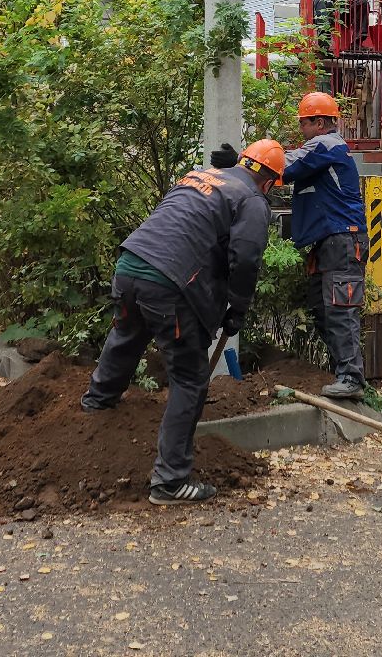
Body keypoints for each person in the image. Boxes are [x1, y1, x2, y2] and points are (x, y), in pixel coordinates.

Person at [81, 140, 283, 505]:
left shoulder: (199, 174)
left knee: (127, 335)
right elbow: (247, 258)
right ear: (270, 182)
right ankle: (170, 481)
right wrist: (237, 308)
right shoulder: (252, 201)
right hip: (168, 284)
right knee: (190, 378)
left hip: (129, 265)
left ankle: (97, 403)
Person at [282, 92, 366, 399]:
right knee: (322, 307)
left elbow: (284, 166)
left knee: (341, 309)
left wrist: (244, 162)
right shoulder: (325, 147)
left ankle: (351, 378)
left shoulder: (325, 144)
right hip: (331, 241)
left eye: (303, 123)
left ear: (319, 122)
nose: (300, 130)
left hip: (342, 240)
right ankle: (344, 371)